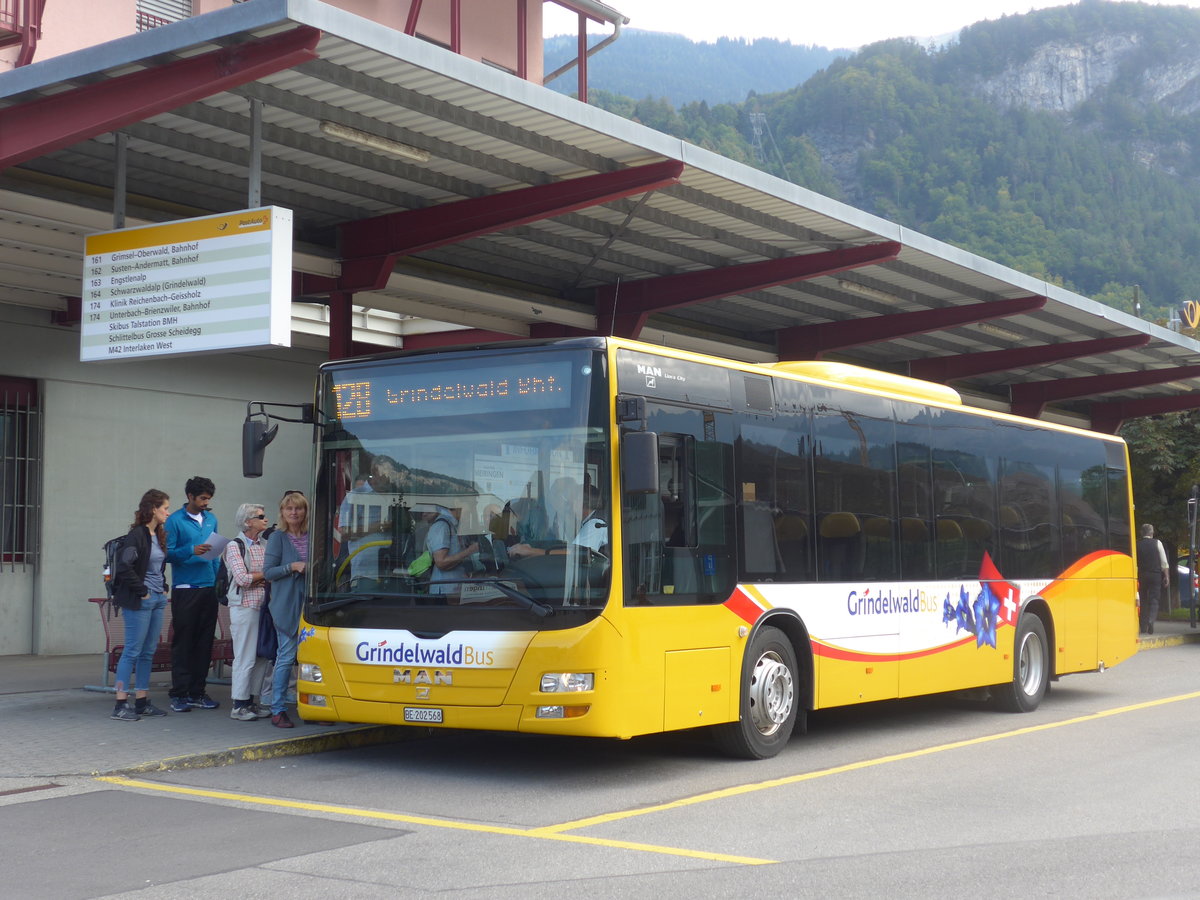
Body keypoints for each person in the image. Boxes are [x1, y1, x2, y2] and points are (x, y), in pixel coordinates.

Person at [108, 489, 172, 722]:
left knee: (148, 652)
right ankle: (120, 704)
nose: (168, 512)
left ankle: (142, 702)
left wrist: (162, 586)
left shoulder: (158, 535)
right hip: (140, 600)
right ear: (153, 509)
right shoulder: (138, 534)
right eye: (165, 507)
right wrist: (143, 591)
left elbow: (157, 566)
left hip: (156, 599)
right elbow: (125, 567)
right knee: (132, 651)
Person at [164, 475, 220, 713]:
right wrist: (191, 550)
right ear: (190, 497)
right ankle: (179, 693)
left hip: (208, 588)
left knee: (205, 643)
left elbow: (215, 552)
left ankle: (198, 692)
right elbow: (167, 553)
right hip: (185, 589)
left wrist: (217, 582)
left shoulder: (211, 519)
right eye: (202, 498)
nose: (206, 503)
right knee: (183, 643)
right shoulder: (174, 521)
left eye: (208, 499)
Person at [263, 490, 310, 728]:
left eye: (298, 508)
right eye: (289, 508)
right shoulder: (277, 538)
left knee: (312, 659)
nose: (294, 512)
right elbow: (268, 572)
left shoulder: (313, 536)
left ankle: (314, 708)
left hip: (311, 607)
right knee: (286, 657)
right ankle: (278, 709)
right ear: (282, 512)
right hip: (286, 606)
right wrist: (292, 566)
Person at [224, 503, 273, 721]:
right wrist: (263, 575)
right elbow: (242, 579)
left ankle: (252, 701)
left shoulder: (265, 544)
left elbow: (265, 575)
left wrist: (258, 576)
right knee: (244, 656)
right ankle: (239, 704)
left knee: (261, 656)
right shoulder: (235, 546)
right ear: (247, 522)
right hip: (244, 607)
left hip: (263, 608)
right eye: (260, 516)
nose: (265, 519)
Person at [509, 484, 608, 560]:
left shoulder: (595, 524)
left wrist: (530, 551)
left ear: (581, 501)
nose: (569, 505)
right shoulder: (591, 521)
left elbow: (574, 554)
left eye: (571, 501)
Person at [424, 504, 479, 598]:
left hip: (455, 589)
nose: (472, 511)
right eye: (470, 505)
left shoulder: (454, 525)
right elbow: (441, 562)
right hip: (444, 592)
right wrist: (470, 550)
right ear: (457, 504)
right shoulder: (442, 526)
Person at [1136, 523, 1170, 634]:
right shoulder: (1157, 543)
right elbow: (1164, 562)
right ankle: (1151, 620)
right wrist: (1166, 576)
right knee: (1154, 599)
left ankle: (1143, 626)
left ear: (1142, 533)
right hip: (1155, 575)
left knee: (1143, 599)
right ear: (1152, 533)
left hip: (1142, 575)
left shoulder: (1137, 544)